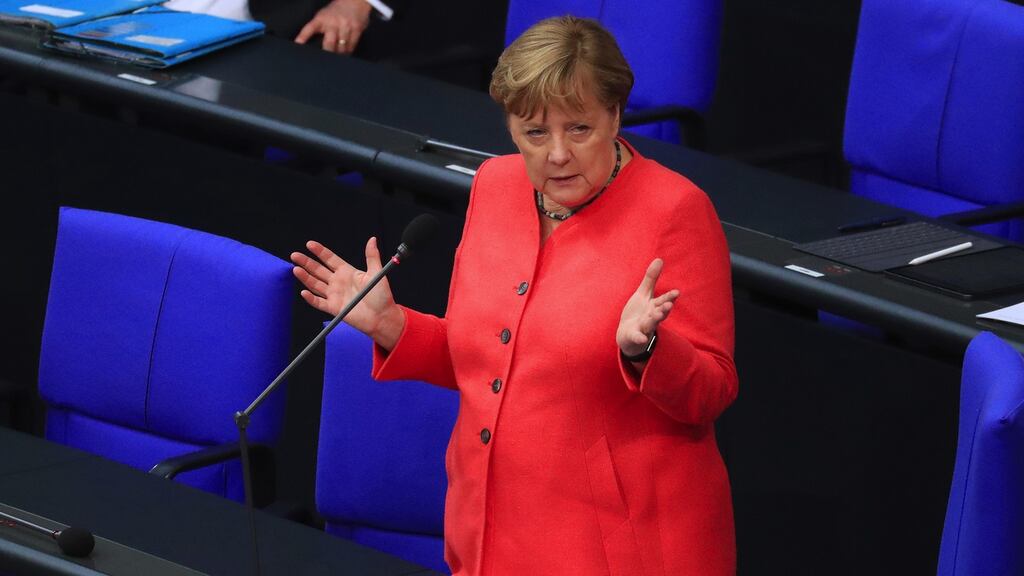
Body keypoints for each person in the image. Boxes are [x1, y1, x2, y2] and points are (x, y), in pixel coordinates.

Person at [291, 15, 738, 576]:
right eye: (535, 133)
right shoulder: (495, 186)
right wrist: (392, 326)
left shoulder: (675, 211)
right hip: (491, 530)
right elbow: (491, 360)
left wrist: (646, 350)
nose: (557, 153)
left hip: (619, 548)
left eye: (579, 129)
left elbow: (711, 392)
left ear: (616, 115)